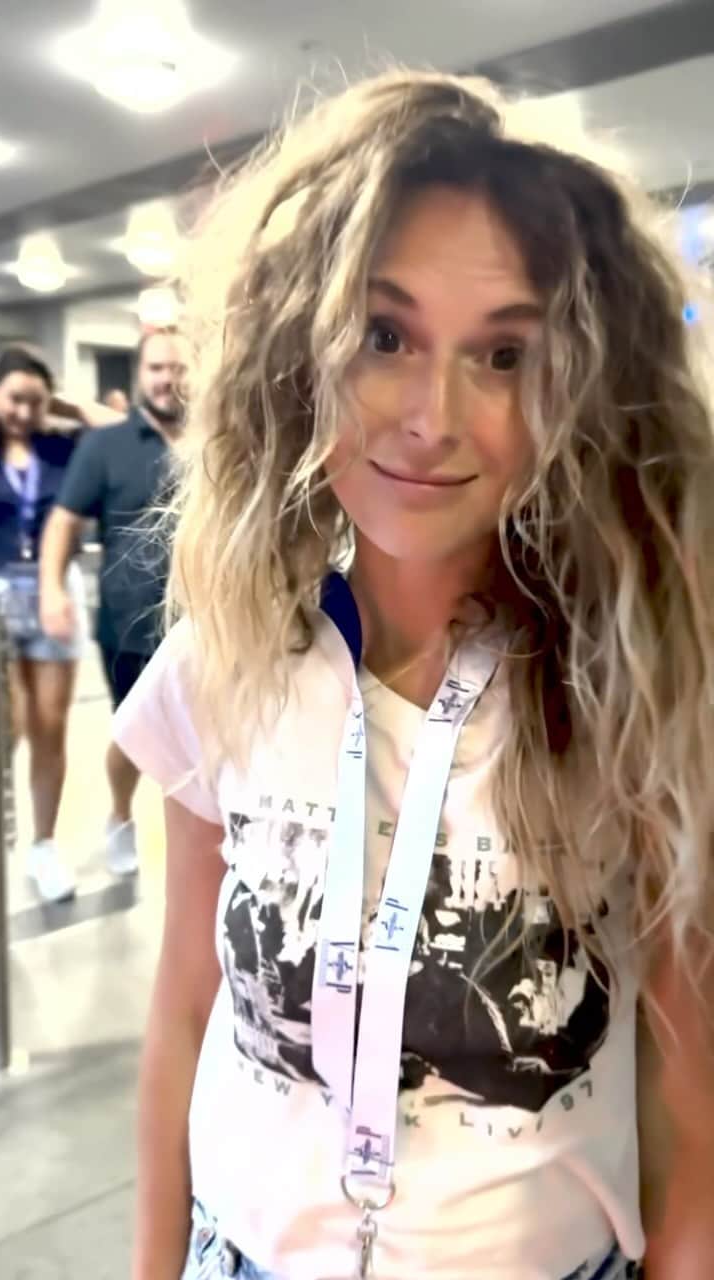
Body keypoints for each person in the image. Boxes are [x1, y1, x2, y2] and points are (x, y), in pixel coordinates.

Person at [113, 71, 714, 1280]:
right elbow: (185, 1004)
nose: (434, 416)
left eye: (503, 354)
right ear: (302, 349)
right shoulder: (225, 657)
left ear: (577, 387)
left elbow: (686, 1083)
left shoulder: (639, 686)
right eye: (385, 337)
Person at [39, 330, 187, 878]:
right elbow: (63, 522)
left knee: (202, 742)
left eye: (177, 368)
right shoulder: (106, 446)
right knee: (133, 736)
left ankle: (198, 838)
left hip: (207, 624)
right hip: (130, 624)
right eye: (156, 369)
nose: (167, 379)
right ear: (140, 376)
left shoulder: (216, 440)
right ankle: (121, 816)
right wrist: (52, 589)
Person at [0, 346, 91, 902]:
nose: (24, 412)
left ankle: (44, 845)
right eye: (14, 399)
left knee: (49, 726)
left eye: (35, 401)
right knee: (7, 727)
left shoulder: (61, 445)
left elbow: (118, 425)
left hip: (55, 591)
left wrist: (62, 404)